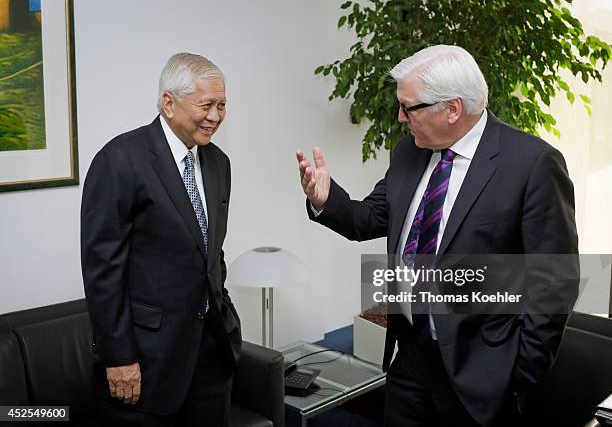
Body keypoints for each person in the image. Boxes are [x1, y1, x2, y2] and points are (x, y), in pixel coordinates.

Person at [296, 45, 579, 426]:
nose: (400, 117)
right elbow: (371, 217)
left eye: (409, 107)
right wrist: (325, 199)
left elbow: (555, 281)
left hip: (481, 370)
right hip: (410, 359)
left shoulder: (532, 165)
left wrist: (517, 371)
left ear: (452, 108)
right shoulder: (409, 153)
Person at [81, 52, 241, 426]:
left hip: (210, 357)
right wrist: (118, 356)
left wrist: (227, 318)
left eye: (222, 105)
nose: (215, 116)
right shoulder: (120, 159)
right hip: (146, 360)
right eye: (206, 105)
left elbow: (209, 252)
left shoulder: (219, 163)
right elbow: (103, 270)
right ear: (168, 103)